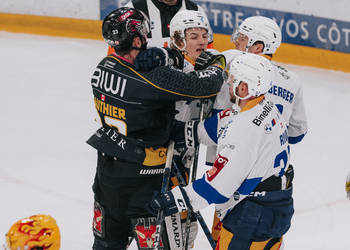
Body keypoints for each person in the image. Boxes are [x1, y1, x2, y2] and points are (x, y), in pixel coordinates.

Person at [87, 7, 225, 250]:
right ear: (139, 39)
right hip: (145, 187)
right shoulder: (153, 80)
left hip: (107, 180)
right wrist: (217, 62)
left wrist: (165, 55)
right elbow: (206, 85)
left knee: (105, 245)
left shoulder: (102, 68)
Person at [148, 53, 294, 250]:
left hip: (253, 215)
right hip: (276, 206)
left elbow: (218, 187)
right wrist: (176, 130)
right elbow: (216, 127)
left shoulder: (244, 129)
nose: (228, 84)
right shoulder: (264, 106)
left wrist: (174, 199)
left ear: (244, 88)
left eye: (232, 80)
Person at [207, 16, 308, 243]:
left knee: (224, 239)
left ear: (258, 46)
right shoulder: (292, 79)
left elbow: (215, 124)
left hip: (232, 178)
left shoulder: (236, 71)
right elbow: (297, 133)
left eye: (242, 39)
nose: (236, 44)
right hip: (275, 184)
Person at [107, 0, 212, 54]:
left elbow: (208, 51)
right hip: (144, 84)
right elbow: (117, 56)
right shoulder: (133, 11)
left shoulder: (196, 11)